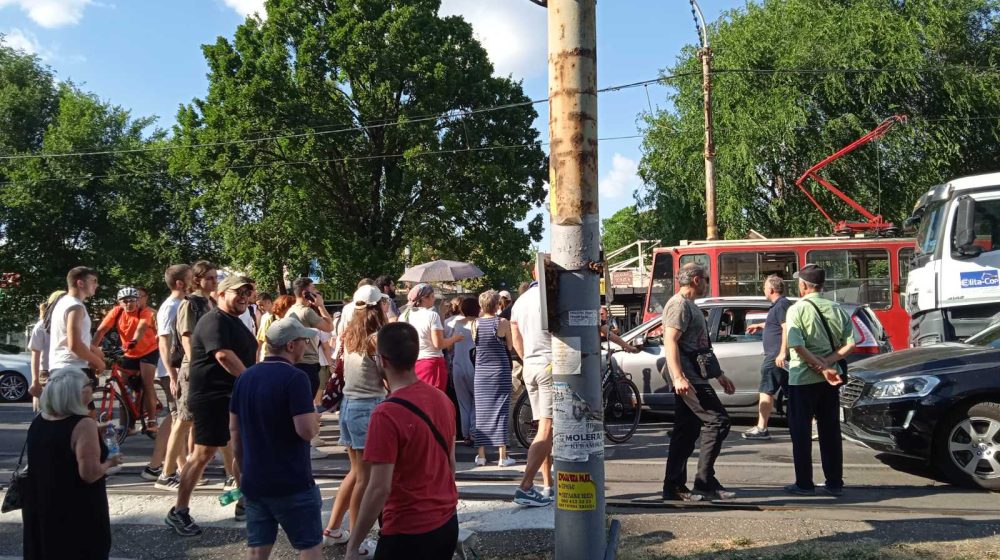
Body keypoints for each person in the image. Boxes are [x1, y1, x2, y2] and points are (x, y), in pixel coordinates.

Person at [345, 322, 458, 560]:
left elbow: (378, 488)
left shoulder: (385, 414)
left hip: (407, 530)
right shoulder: (442, 399)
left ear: (382, 361)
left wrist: (353, 544)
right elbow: (451, 464)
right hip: (446, 521)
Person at [165, 275, 258, 536]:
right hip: (212, 398)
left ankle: (245, 502)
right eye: (238, 291)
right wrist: (252, 381)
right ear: (221, 294)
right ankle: (178, 511)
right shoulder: (215, 320)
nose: (244, 295)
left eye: (247, 292)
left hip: (231, 397)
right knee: (203, 454)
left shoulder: (234, 321)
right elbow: (223, 355)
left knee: (241, 451)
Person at [230, 317, 322, 559]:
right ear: (291, 346)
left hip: (255, 480)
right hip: (291, 480)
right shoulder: (296, 378)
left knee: (257, 547)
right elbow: (306, 431)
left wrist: (241, 470)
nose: (307, 345)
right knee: (309, 546)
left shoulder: (245, 377)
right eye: (304, 340)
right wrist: (315, 419)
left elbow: (234, 432)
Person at [22, 367, 124, 559]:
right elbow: (90, 473)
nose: (92, 388)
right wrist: (111, 462)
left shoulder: (40, 420)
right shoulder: (83, 425)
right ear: (75, 392)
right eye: (88, 384)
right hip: (75, 511)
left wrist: (97, 429)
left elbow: (57, 440)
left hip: (41, 505)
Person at [661, 262, 738, 502]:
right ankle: (703, 482)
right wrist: (678, 377)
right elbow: (670, 341)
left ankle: (676, 486)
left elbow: (701, 346)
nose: (707, 283)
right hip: (688, 379)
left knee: (687, 431)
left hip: (695, 376)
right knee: (718, 421)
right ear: (696, 279)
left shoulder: (690, 305)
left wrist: (719, 374)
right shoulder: (678, 305)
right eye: (705, 279)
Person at [323, 286, 389, 553]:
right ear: (376, 308)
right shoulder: (376, 339)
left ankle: (333, 528)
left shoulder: (350, 334)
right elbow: (387, 373)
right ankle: (355, 541)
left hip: (349, 406)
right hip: (368, 407)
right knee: (366, 478)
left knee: (355, 473)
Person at [784, 264, 855, 496]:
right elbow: (851, 344)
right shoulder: (838, 308)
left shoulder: (797, 309)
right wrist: (828, 362)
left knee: (801, 432)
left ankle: (804, 483)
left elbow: (796, 344)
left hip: (802, 379)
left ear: (803, 286)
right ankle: (834, 482)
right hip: (831, 380)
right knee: (830, 430)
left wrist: (818, 366)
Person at [157, 260, 217, 491]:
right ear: (196, 280)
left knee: (192, 421)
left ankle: (189, 469)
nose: (214, 281)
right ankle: (167, 472)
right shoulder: (187, 304)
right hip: (191, 369)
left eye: (215, 277)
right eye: (209, 277)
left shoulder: (209, 302)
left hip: (204, 368)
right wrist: (180, 372)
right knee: (182, 421)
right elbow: (183, 338)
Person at [509, 277, 554, 506]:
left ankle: (549, 485)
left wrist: (527, 359)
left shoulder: (520, 301)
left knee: (543, 428)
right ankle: (526, 486)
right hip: (550, 364)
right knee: (547, 428)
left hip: (531, 366)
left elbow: (516, 337)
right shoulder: (552, 297)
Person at [93, 286, 161, 433]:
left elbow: (141, 328)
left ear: (137, 301)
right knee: (124, 387)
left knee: (146, 382)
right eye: (124, 301)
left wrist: (134, 341)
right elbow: (101, 330)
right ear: (119, 302)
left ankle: (151, 421)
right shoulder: (116, 312)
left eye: (132, 300)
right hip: (129, 353)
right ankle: (128, 425)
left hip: (148, 351)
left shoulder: (145, 312)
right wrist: (91, 347)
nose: (128, 304)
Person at [743, 275, 793, 440]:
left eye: (765, 287)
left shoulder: (781, 305)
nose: (764, 290)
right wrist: (760, 325)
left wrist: (782, 352)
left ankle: (762, 428)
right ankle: (814, 425)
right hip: (776, 356)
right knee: (793, 393)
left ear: (771, 289)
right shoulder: (780, 305)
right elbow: (776, 324)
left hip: (775, 357)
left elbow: (786, 328)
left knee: (766, 390)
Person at [473, 290, 516, 467]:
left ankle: (481, 455)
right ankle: (502, 456)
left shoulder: (475, 324)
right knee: (501, 411)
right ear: (498, 304)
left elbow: (476, 343)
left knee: (481, 412)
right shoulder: (503, 322)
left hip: (481, 371)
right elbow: (510, 345)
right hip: (500, 370)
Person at [48, 267, 105, 396]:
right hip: (72, 369)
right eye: (93, 281)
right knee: (80, 414)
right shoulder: (75, 307)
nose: (97, 284)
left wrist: (93, 349)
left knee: (85, 413)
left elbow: (68, 338)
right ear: (80, 283)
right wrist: (98, 362)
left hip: (63, 368)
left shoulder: (63, 303)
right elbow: (74, 345)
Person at [399, 283, 463, 393]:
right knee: (434, 400)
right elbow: (438, 344)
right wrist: (455, 338)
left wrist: (441, 314)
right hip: (431, 364)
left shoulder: (404, 316)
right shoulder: (431, 315)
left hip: (412, 364)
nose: (434, 299)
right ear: (425, 298)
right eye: (432, 296)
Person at [288, 278, 335, 399]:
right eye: (313, 288)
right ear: (305, 294)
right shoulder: (307, 312)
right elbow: (329, 327)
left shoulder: (290, 311)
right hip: (308, 364)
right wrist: (321, 306)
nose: (317, 291)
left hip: (295, 362)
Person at [445, 296, 479, 444]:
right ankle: (473, 432)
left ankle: (465, 434)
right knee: (477, 401)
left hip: (458, 366)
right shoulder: (478, 324)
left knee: (463, 402)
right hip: (474, 366)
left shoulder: (457, 324)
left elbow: (450, 346)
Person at [28, 291, 66, 411]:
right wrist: (35, 382)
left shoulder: (69, 324)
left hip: (65, 371)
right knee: (45, 413)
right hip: (46, 373)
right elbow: (35, 355)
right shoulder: (41, 326)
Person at [256, 294, 295, 361]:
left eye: (261, 305)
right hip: (267, 355)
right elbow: (260, 340)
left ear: (268, 302)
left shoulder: (274, 318)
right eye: (258, 305)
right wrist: (257, 358)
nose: (259, 307)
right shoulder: (265, 317)